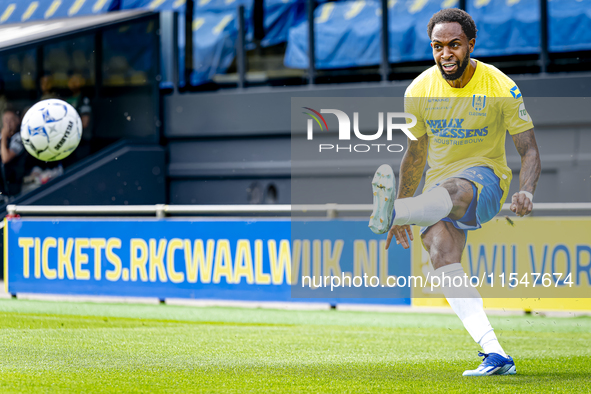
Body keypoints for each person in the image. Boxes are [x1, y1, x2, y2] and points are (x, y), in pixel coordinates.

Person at [369, 9, 541, 376]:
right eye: (437, 46)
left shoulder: (500, 86)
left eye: (454, 45)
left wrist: (526, 190)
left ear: (470, 45)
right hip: (436, 189)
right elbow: (415, 155)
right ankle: (496, 354)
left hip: (486, 181)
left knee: (456, 187)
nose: (445, 53)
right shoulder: (417, 91)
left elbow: (529, 149)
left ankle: (398, 212)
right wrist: (406, 197)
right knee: (440, 253)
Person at [0, 107, 26, 196]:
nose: (8, 124)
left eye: (11, 120)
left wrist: (3, 136)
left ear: (17, 121)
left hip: (16, 185)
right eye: (6, 121)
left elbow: (6, 158)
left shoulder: (20, 138)